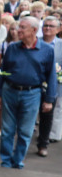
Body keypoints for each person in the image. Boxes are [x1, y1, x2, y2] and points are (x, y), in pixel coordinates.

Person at [0, 15, 58, 169]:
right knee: (8, 129)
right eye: (19, 27)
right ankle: (6, 160)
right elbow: (3, 71)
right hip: (9, 91)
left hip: (32, 94)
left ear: (34, 30)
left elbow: (51, 76)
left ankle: (18, 160)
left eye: (23, 27)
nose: (18, 30)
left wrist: (49, 99)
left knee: (25, 131)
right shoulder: (12, 48)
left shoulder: (47, 50)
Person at [34, 16, 62, 157]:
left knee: (47, 116)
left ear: (58, 29)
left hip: (52, 87)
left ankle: (43, 144)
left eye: (51, 26)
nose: (48, 28)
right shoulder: (35, 43)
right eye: (45, 25)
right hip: (34, 85)